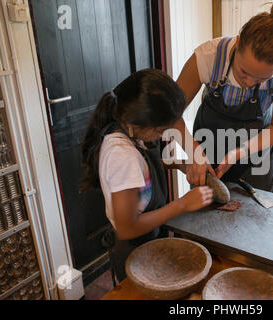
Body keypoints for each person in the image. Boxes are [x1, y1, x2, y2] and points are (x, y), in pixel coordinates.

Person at [80, 69, 213, 283]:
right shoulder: (122, 156)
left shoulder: (125, 131)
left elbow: (139, 172)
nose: (162, 136)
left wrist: (177, 164)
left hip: (149, 238)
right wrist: (182, 205)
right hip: (133, 248)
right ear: (136, 124)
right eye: (160, 131)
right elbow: (126, 227)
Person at [174, 0, 273, 193]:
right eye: (243, 72)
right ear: (239, 41)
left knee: (260, 216)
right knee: (208, 213)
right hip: (209, 146)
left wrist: (240, 152)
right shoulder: (209, 56)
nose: (249, 83)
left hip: (258, 152)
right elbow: (170, 113)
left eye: (262, 78)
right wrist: (195, 153)